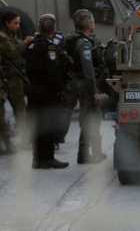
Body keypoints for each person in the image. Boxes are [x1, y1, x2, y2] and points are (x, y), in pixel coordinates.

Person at [25, 14, 70, 169]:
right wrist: (60, 89)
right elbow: (53, 72)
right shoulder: (50, 47)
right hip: (47, 92)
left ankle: (37, 159)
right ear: (53, 29)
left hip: (33, 90)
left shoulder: (31, 44)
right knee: (49, 125)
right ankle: (47, 158)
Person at [67, 9, 107, 164]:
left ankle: (88, 153)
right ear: (89, 24)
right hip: (86, 85)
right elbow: (88, 70)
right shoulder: (83, 43)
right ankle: (87, 154)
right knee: (92, 118)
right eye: (93, 20)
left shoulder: (76, 39)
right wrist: (94, 92)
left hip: (78, 83)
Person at [0, 11, 32, 153]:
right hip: (6, 79)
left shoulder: (13, 36)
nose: (18, 26)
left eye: (19, 23)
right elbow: (12, 52)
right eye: (15, 23)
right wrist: (25, 43)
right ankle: (7, 144)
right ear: (7, 23)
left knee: (21, 112)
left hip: (16, 79)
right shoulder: (2, 37)